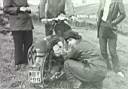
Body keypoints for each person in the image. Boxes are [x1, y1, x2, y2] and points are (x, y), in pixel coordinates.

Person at [97, 0, 126, 76]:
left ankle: (117, 70)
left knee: (112, 51)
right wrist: (99, 26)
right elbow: (99, 13)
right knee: (103, 51)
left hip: (111, 29)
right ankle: (107, 67)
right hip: (102, 27)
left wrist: (113, 23)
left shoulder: (118, 1)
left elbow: (123, 14)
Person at [3, 0, 34, 70]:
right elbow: (6, 9)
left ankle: (27, 62)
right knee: (18, 45)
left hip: (27, 23)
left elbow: (25, 6)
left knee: (29, 43)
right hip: (17, 24)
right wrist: (19, 9)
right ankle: (18, 64)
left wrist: (28, 9)